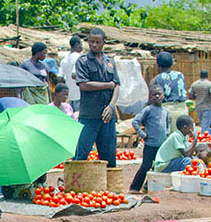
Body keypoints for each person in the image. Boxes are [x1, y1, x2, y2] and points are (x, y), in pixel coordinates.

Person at [74, 27, 120, 167]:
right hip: (89, 116)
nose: (94, 45)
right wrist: (107, 85)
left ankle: (110, 188)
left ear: (104, 42)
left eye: (97, 42)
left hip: (107, 116)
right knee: (82, 154)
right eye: (91, 41)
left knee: (109, 156)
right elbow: (83, 85)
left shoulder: (110, 61)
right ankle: (75, 186)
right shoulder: (82, 61)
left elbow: (117, 85)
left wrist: (112, 106)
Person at [128, 84, 170, 192]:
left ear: (163, 96)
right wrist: (143, 135)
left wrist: (167, 135)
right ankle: (134, 187)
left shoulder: (165, 111)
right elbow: (135, 122)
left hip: (161, 145)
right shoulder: (148, 110)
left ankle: (147, 187)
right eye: (154, 94)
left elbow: (167, 126)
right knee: (146, 166)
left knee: (158, 167)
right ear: (150, 97)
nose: (156, 96)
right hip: (150, 144)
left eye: (159, 94)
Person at [150, 51, 188, 128]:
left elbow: (152, 100)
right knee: (182, 138)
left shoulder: (156, 79)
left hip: (166, 112)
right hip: (182, 110)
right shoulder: (180, 76)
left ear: (159, 66)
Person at [59, 36, 83, 112]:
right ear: (77, 44)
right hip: (79, 93)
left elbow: (59, 78)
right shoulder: (79, 57)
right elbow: (74, 75)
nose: (82, 47)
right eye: (81, 44)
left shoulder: (64, 59)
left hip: (69, 95)